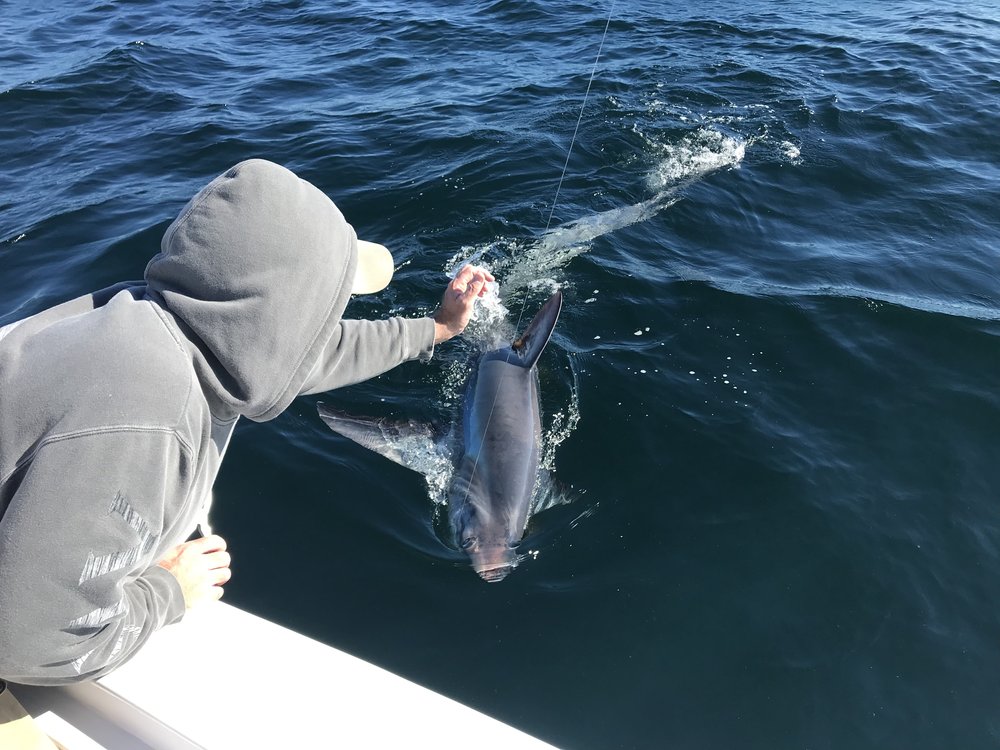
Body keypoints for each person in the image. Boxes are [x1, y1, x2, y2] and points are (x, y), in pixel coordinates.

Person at [0, 159, 494, 686]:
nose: (330, 321)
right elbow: (29, 645)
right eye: (325, 307)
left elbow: (311, 355)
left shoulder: (156, 317)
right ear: (278, 313)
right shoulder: (146, 421)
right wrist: (168, 592)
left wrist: (437, 329)